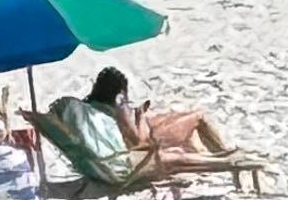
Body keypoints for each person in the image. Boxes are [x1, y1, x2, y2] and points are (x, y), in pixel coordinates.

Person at [89, 65, 239, 166]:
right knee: (197, 116)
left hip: (135, 138)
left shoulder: (93, 107)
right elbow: (141, 144)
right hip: (146, 144)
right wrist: (140, 115)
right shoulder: (119, 108)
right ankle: (224, 154)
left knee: (170, 117)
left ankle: (202, 150)